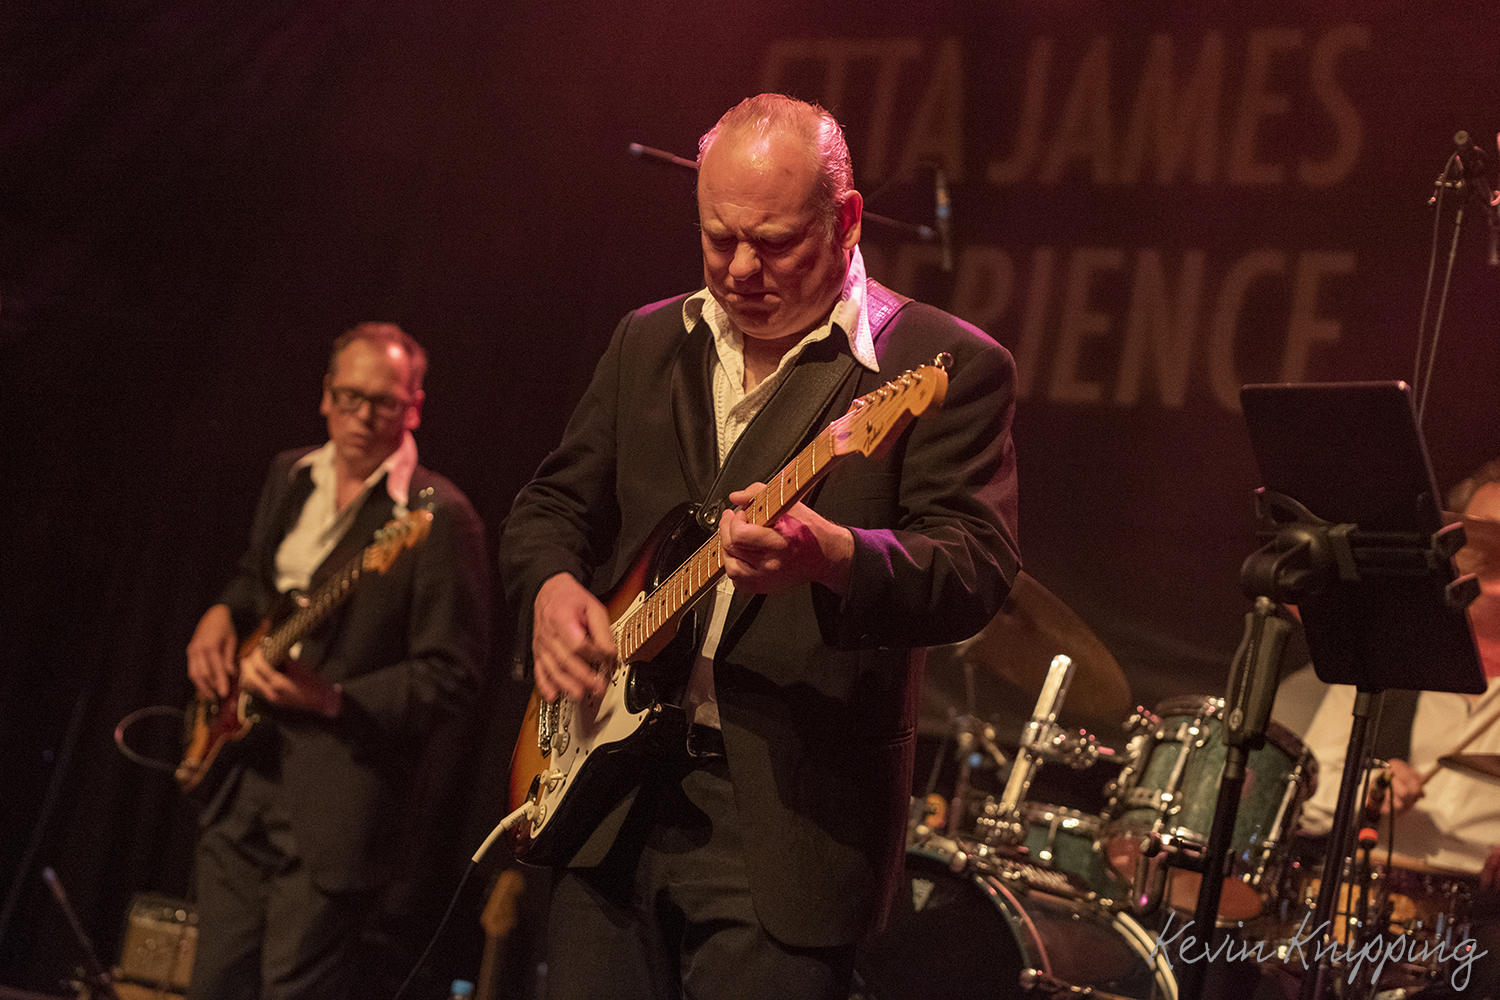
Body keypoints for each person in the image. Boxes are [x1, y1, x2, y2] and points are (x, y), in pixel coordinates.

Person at [497, 94, 1021, 999]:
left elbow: (976, 563)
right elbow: (551, 505)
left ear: (846, 220)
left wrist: (837, 557)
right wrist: (550, 588)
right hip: (606, 802)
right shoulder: (647, 340)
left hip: (789, 825)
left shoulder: (943, 360)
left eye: (774, 243)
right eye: (718, 238)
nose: (741, 268)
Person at [183, 323, 491, 1000]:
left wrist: (332, 698)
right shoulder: (291, 474)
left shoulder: (439, 517)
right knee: (213, 985)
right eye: (349, 397)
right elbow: (258, 581)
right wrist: (222, 613)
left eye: (383, 402)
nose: (362, 416)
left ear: (413, 407)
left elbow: (453, 676)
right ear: (325, 395)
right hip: (242, 775)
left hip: (336, 809)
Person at [1295, 457, 1500, 996]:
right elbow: (1304, 795)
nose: (1496, 557)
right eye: (1482, 541)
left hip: (1487, 927)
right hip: (1359, 906)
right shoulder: (1386, 654)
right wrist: (1367, 788)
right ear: (1451, 550)